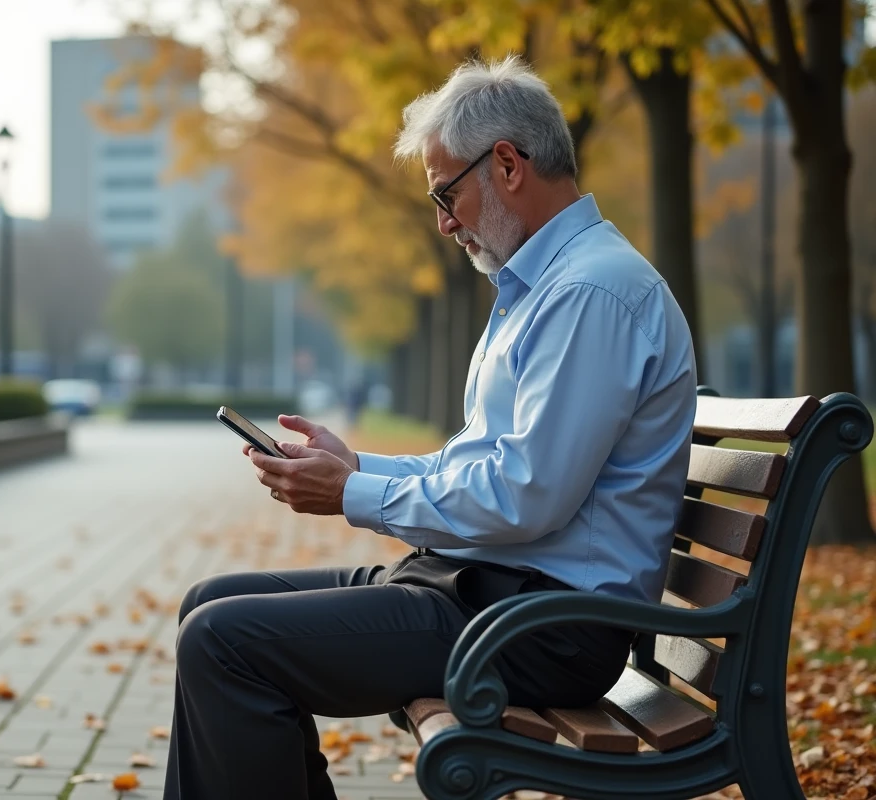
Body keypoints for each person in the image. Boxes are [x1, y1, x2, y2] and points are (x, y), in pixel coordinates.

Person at [163, 55, 697, 800]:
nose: (444, 221)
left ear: (507, 164)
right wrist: (359, 468)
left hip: (538, 624)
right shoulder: (543, 288)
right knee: (209, 607)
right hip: (485, 588)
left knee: (222, 646)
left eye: (446, 193)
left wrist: (354, 496)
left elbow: (525, 494)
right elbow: (480, 462)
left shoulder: (590, 294)